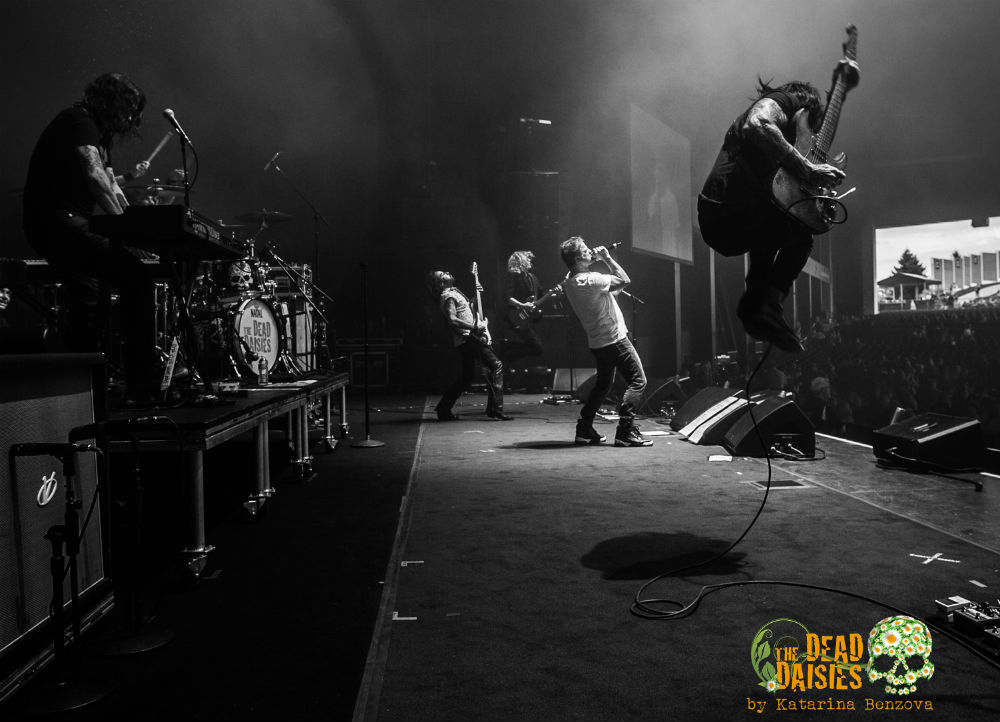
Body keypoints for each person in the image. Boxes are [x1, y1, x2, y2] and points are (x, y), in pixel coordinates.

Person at [697, 61, 859, 352]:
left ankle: (759, 308)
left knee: (784, 225)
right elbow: (756, 124)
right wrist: (807, 170)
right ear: (806, 111)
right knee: (798, 236)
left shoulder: (783, 149)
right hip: (724, 210)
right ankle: (764, 306)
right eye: (814, 126)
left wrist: (841, 87)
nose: (809, 139)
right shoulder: (788, 101)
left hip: (737, 218)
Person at [22, 72, 160, 396]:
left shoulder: (99, 133)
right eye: (127, 109)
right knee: (135, 276)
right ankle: (142, 384)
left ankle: (86, 387)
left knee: (94, 297)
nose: (130, 119)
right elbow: (95, 176)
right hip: (55, 224)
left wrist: (135, 225)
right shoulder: (79, 121)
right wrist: (127, 230)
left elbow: (112, 184)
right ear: (112, 102)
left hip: (72, 224)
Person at [559, 237, 651, 447]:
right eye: (584, 250)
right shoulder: (592, 279)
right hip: (615, 339)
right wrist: (608, 258)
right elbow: (625, 280)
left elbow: (611, 290)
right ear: (576, 258)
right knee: (638, 381)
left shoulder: (570, 280)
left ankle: (584, 429)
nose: (589, 250)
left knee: (602, 386)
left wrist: (598, 261)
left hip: (598, 342)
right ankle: (625, 432)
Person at [427, 270, 511, 421]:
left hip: (466, 339)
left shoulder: (454, 293)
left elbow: (465, 311)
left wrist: (475, 296)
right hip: (468, 338)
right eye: (443, 274)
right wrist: (475, 328)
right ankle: (496, 409)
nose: (447, 272)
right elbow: (452, 319)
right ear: (441, 282)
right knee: (497, 365)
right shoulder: (448, 295)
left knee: (467, 376)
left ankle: (443, 409)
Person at [501, 250, 548, 382]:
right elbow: (508, 298)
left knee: (537, 348)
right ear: (520, 260)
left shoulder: (533, 277)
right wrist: (523, 305)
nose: (530, 261)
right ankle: (506, 356)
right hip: (516, 316)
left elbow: (542, 294)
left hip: (532, 318)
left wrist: (555, 294)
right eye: (527, 259)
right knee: (537, 347)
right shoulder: (513, 275)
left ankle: (507, 354)